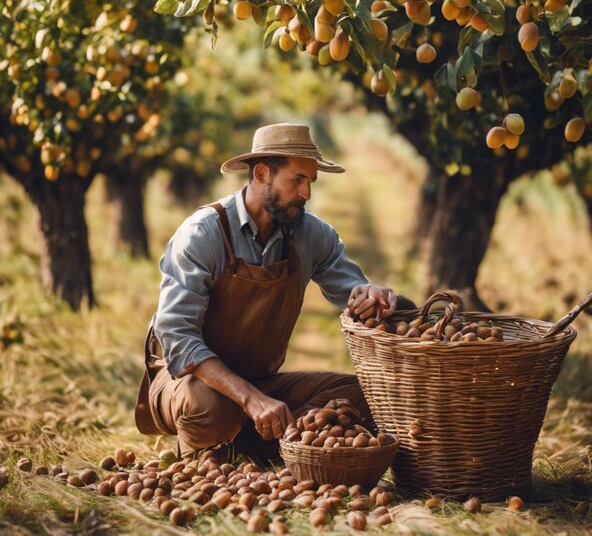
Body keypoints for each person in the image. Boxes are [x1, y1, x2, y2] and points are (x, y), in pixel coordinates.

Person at [134, 123, 403, 460]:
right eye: (297, 180)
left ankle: (252, 448)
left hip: (259, 379)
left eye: (311, 182)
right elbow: (177, 338)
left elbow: (353, 291)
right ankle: (210, 449)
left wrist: (373, 295)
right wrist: (250, 398)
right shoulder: (202, 234)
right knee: (211, 405)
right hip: (187, 382)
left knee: (363, 394)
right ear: (262, 174)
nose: (307, 194)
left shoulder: (312, 235)